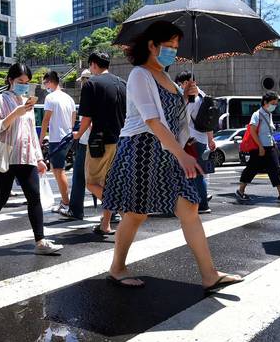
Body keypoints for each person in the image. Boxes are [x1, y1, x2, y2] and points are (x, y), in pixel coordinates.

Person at [101, 20, 243, 292]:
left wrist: (187, 99)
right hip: (142, 149)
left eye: (176, 47)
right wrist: (182, 155)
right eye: (168, 46)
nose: (173, 52)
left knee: (189, 207)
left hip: (167, 152)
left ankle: (209, 275)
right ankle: (117, 267)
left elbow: (177, 124)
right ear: (151, 45)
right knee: (135, 214)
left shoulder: (169, 80)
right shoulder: (140, 74)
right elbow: (152, 121)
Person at [0, 63, 63, 255]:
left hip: (27, 156)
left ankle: (40, 241)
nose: (24, 85)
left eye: (27, 82)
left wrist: (39, 158)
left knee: (34, 197)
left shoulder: (28, 103)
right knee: (1, 197)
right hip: (6, 157)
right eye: (20, 81)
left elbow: (32, 132)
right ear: (10, 80)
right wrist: (16, 113)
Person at [76, 51, 127, 236]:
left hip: (101, 142)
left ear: (93, 65)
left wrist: (77, 134)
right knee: (109, 183)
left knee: (92, 182)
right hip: (122, 141)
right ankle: (105, 224)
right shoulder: (122, 84)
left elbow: (87, 118)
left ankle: (124, 213)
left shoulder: (91, 84)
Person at [235, 92, 280, 205]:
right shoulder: (257, 114)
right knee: (251, 169)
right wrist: (260, 146)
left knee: (276, 170)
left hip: (270, 147)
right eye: (273, 103)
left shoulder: (269, 114)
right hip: (259, 149)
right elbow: (252, 131)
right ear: (265, 102)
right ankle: (240, 191)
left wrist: (273, 144)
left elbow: (268, 132)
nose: (275, 106)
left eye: (276, 104)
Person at [178, 71, 215, 214]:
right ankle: (198, 202)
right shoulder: (204, 95)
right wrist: (210, 140)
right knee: (198, 172)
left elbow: (181, 117)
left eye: (182, 83)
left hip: (191, 140)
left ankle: (202, 204)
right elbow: (209, 123)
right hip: (201, 139)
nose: (182, 86)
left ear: (187, 82)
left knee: (195, 174)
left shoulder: (193, 98)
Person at [40, 71, 76, 214]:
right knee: (60, 170)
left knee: (58, 171)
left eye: (45, 83)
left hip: (56, 139)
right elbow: (73, 118)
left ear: (50, 81)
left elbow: (46, 120)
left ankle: (66, 203)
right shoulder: (69, 98)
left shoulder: (50, 98)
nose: (45, 86)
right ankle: (65, 201)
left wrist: (40, 139)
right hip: (68, 137)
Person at [60, 70, 94, 220]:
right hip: (100, 142)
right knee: (101, 178)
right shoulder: (102, 91)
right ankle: (111, 212)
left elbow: (89, 121)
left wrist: (79, 134)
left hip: (86, 142)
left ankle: (75, 209)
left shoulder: (89, 95)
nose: (81, 83)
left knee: (79, 177)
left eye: (83, 80)